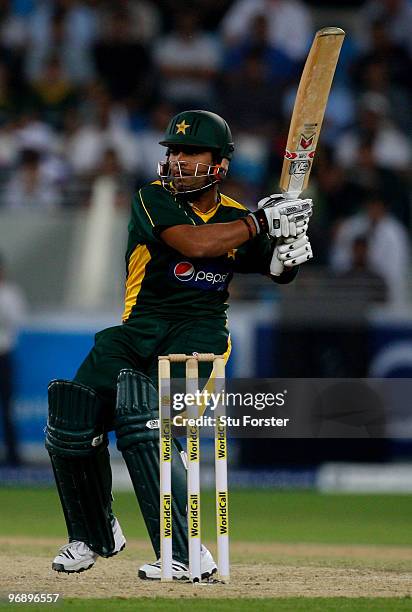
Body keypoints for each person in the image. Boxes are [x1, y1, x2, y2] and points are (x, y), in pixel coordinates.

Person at [46, 110, 314, 579]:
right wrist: (261, 223)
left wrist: (287, 254)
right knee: (71, 411)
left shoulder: (234, 216)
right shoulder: (153, 199)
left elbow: (274, 268)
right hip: (137, 331)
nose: (176, 160)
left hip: (201, 336)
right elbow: (193, 245)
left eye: (189, 152)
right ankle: (93, 533)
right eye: (172, 151)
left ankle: (188, 554)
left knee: (141, 418)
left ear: (219, 164)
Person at [0, 253, 26, 465]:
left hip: (3, 354)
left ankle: (12, 455)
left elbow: (16, 321)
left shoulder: (10, 294)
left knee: (7, 407)